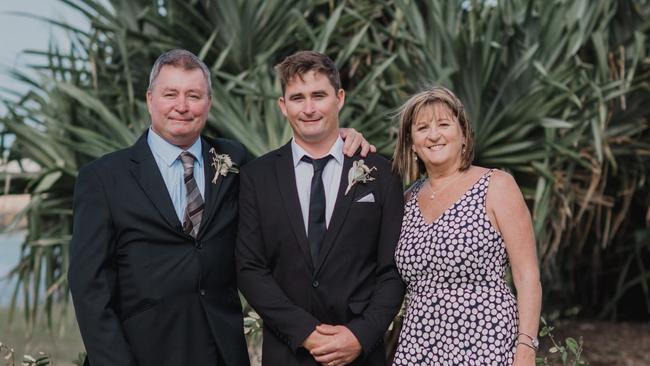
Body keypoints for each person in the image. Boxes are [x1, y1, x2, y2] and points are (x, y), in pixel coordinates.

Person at [68, 49, 373, 366]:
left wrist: (336, 139)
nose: (182, 106)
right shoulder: (103, 178)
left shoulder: (234, 160)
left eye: (194, 95)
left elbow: (290, 183)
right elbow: (89, 290)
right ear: (150, 99)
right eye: (170, 94)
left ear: (209, 103)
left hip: (223, 353)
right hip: (142, 354)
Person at [236, 50, 405, 366]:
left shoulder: (382, 174)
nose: (309, 108)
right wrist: (305, 332)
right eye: (298, 98)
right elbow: (250, 269)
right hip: (288, 353)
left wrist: (360, 336)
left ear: (339, 98)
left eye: (319, 95)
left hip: (362, 355)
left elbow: (392, 270)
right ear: (283, 106)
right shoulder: (256, 177)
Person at [391, 86, 542, 365]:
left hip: (487, 341)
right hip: (418, 346)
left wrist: (526, 347)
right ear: (412, 142)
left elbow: (527, 275)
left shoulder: (496, 186)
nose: (433, 135)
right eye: (422, 128)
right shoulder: (406, 200)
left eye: (444, 124)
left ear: (463, 134)